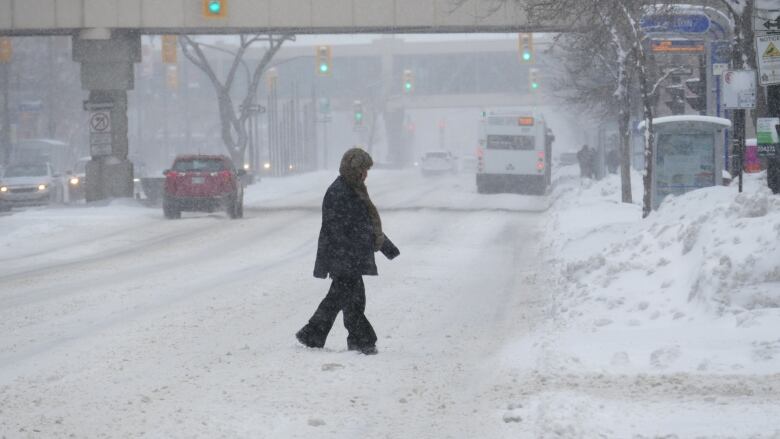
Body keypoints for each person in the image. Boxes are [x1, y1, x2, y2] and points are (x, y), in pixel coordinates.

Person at [295, 148, 400, 355]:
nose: (366, 174)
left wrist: (385, 245)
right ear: (354, 169)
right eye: (363, 169)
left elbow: (364, 225)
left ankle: (317, 334)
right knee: (349, 300)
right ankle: (360, 340)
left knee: (345, 300)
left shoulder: (352, 189)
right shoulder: (340, 192)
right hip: (344, 258)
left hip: (349, 258)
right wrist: (348, 257)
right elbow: (342, 228)